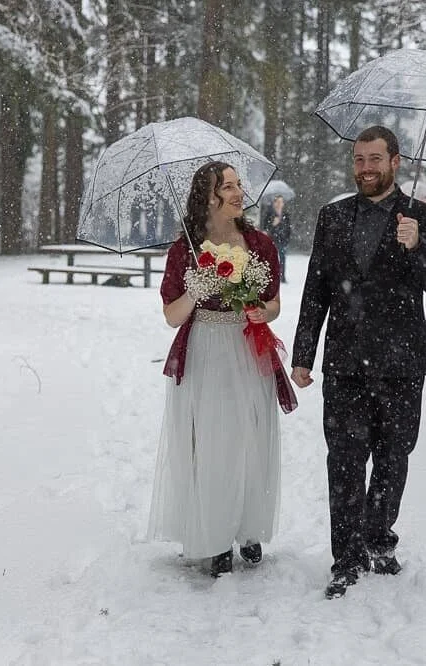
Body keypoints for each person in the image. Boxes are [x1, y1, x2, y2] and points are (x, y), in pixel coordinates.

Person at [291, 126, 426, 599]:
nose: (365, 168)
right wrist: (304, 354)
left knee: (392, 458)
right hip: (344, 362)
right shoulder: (332, 216)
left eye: (374, 159)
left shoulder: (422, 218)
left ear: (395, 162)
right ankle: (346, 556)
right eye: (359, 159)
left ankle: (379, 538)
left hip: (402, 363)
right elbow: (315, 290)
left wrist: (418, 244)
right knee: (343, 460)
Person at [148, 161, 296, 578]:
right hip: (206, 351)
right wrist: (195, 292)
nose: (237, 192)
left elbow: (274, 304)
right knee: (211, 442)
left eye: (237, 185)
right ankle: (213, 536)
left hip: (249, 351)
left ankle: (247, 528)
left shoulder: (260, 244)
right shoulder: (184, 251)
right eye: (226, 187)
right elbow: (172, 317)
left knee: (250, 438)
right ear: (206, 198)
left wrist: (256, 311)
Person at [261, 195, 292, 283]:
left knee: (282, 259)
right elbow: (265, 228)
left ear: (283, 204)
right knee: (272, 259)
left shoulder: (286, 214)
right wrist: (273, 224)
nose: (279, 204)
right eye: (277, 202)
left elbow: (289, 228)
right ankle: (271, 277)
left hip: (282, 240)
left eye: (281, 202)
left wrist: (287, 239)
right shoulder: (269, 214)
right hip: (272, 240)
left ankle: (282, 277)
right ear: (274, 203)